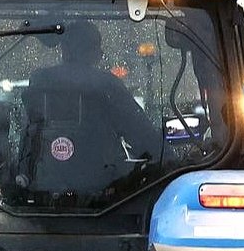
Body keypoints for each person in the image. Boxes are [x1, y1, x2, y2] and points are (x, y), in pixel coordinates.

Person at [28, 20, 156, 160]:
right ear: (93, 51)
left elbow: (27, 134)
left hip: (40, 173)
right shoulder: (108, 85)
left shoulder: (40, 80)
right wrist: (165, 160)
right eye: (97, 47)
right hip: (106, 177)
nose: (101, 53)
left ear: (64, 48)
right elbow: (142, 135)